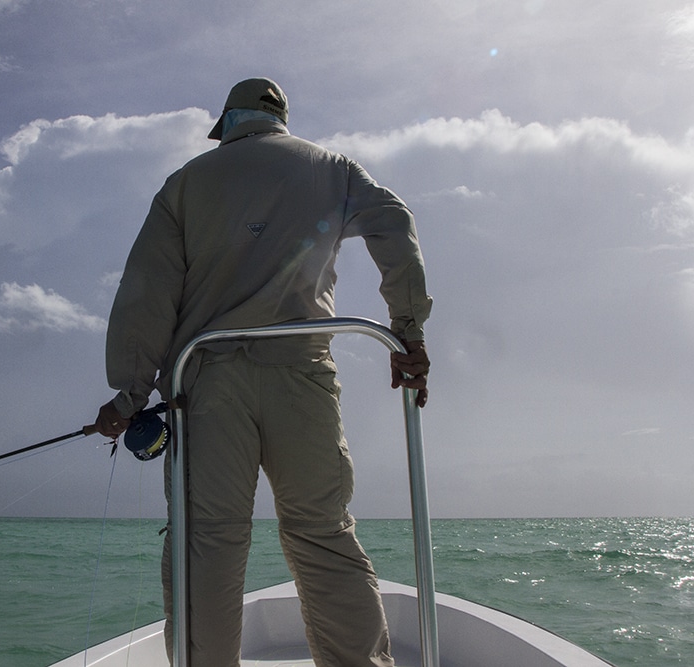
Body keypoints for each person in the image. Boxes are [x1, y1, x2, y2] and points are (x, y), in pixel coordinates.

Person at [94, 77, 432, 667]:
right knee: (323, 533)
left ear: (227, 123)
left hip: (207, 380)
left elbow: (146, 295)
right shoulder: (335, 169)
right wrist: (407, 330)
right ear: (280, 118)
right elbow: (395, 225)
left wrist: (128, 395)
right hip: (303, 375)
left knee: (210, 545)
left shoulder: (185, 184)